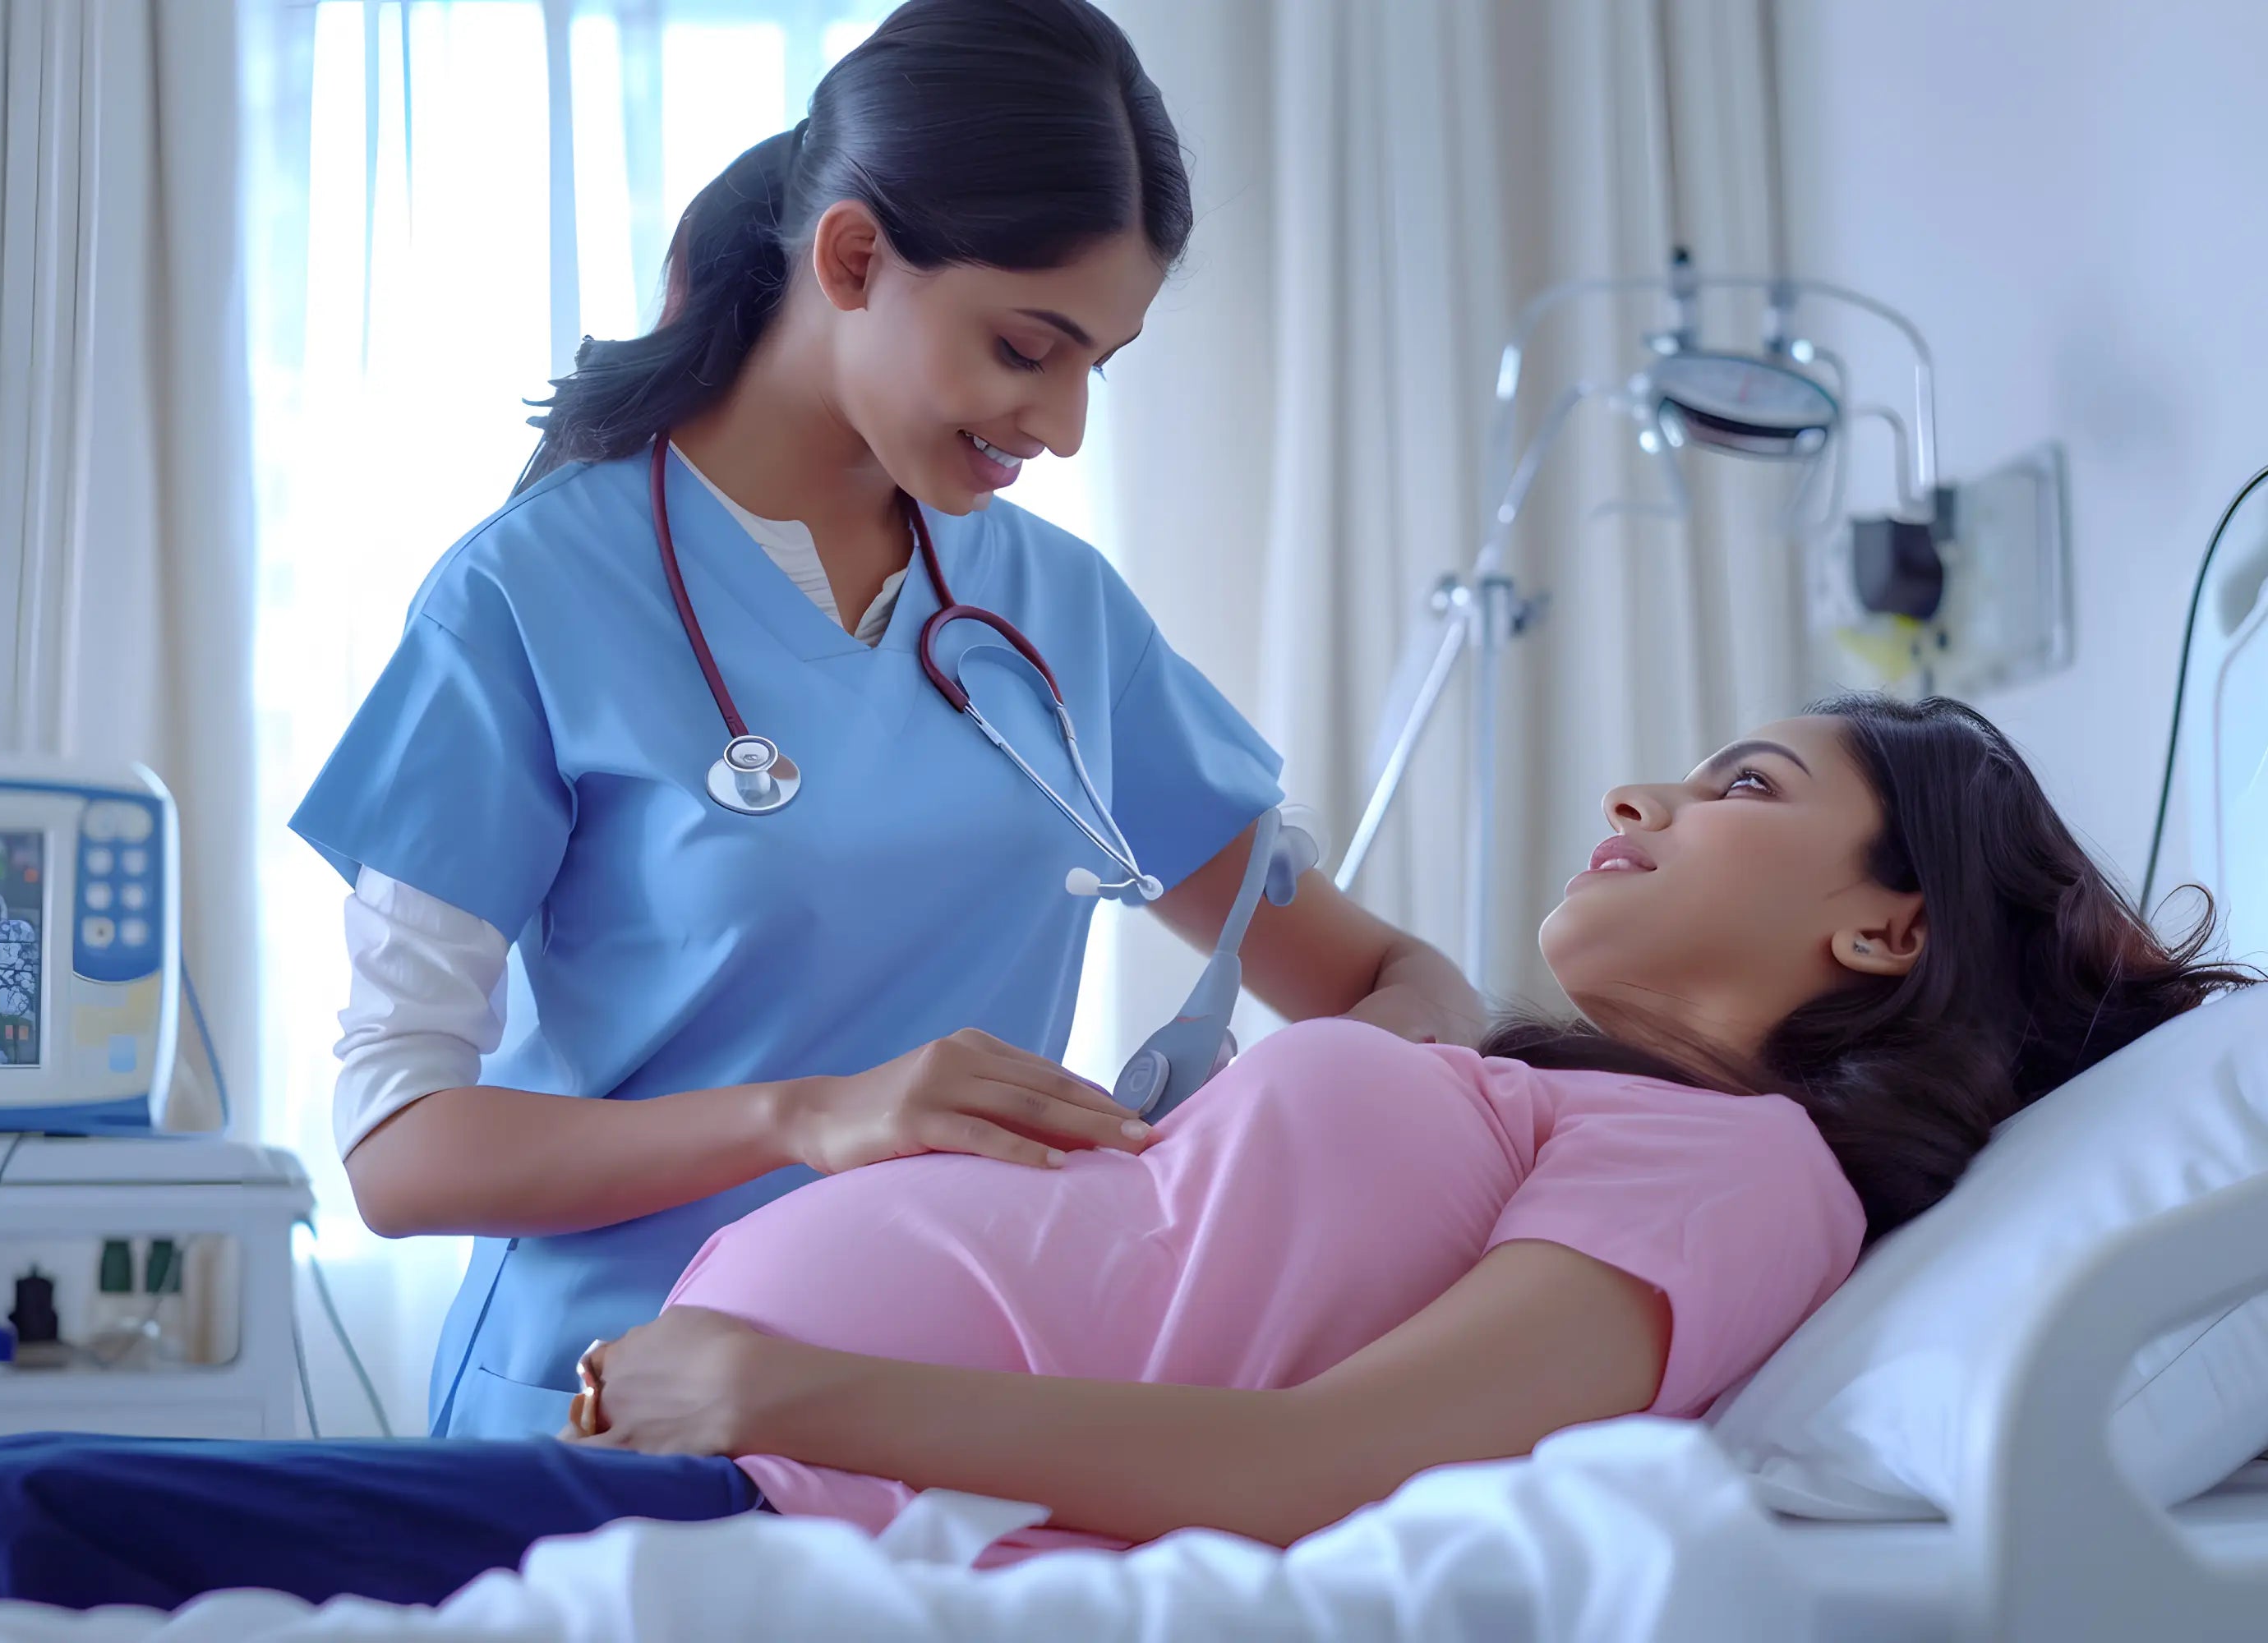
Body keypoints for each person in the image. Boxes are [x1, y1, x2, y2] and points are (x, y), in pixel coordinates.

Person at [0, 696, 2257, 1624]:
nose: (1638, 791)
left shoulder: (1741, 1182)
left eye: (1739, 788)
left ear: (1884, 926)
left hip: (785, 1498)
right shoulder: (1557, 1087)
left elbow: (1327, 1468)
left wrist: (785, 1400)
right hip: (724, 1449)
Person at [285, 0, 1479, 1446]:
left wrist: (1275, 1132)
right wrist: (814, 1115)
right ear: (854, 258)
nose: (1064, 424)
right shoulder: (526, 597)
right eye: (1029, 347)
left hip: (946, 1415)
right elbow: (400, 1153)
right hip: (613, 1411)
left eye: (1101, 362)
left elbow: (1387, 982)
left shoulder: (1056, 608)